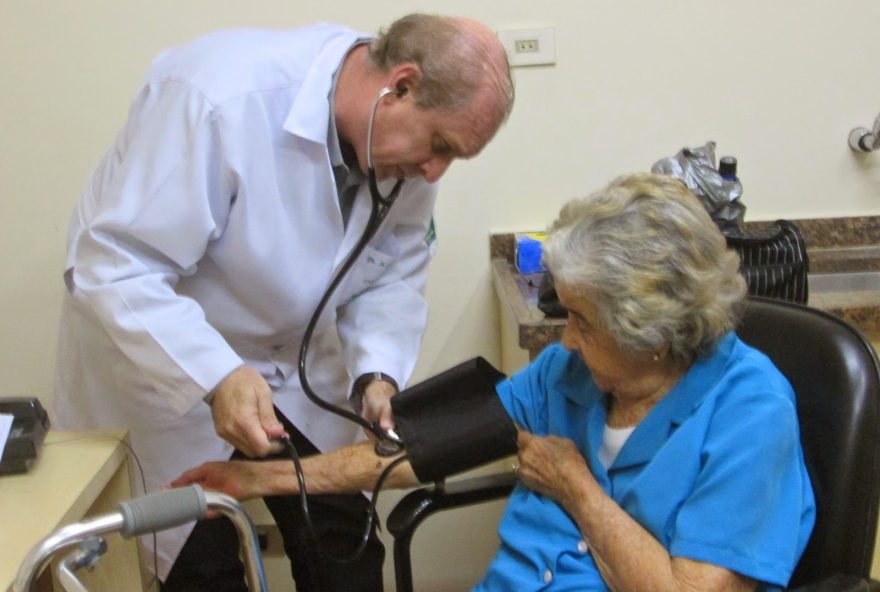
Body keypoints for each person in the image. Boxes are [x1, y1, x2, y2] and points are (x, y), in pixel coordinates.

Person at [174, 172, 816, 591]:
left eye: (585, 325)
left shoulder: (750, 414)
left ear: (658, 337)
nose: (564, 342)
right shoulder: (572, 375)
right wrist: (256, 479)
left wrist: (578, 490)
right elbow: (409, 455)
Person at [52, 13, 514, 591]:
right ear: (401, 84)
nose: (434, 170)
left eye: (453, 157)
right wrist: (217, 375)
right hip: (171, 367)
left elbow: (390, 274)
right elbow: (113, 265)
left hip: (292, 365)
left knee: (346, 553)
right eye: (440, 145)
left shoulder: (404, 157)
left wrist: (377, 375)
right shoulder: (222, 97)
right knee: (206, 565)